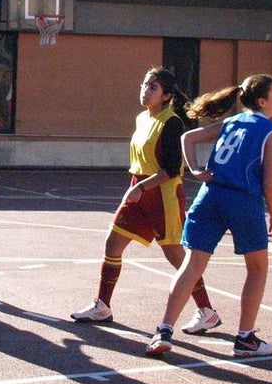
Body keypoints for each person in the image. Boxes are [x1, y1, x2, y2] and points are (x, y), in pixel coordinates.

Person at [71, 68, 222, 333]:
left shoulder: (172, 122)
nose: (145, 90)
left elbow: (172, 169)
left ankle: (207, 311)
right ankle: (102, 305)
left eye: (153, 87)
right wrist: (138, 186)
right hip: (139, 188)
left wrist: (142, 186)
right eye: (144, 84)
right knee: (113, 243)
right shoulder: (142, 119)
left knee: (176, 256)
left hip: (163, 194)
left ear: (165, 96)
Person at [146, 74, 272, 358]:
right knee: (257, 268)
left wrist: (195, 170)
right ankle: (245, 339)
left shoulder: (231, 123)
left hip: (209, 197)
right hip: (242, 200)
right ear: (262, 101)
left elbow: (189, 137)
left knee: (192, 265)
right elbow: (270, 181)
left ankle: (164, 330)